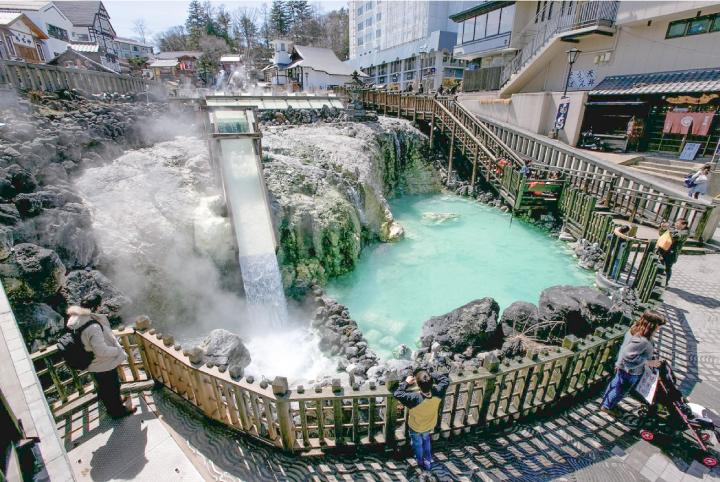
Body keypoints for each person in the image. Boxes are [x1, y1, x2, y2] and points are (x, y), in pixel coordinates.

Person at [66, 304, 136, 418]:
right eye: (99, 306)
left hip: (92, 361)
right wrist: (116, 351)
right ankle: (118, 412)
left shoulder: (76, 320)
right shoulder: (92, 327)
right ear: (96, 307)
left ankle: (113, 404)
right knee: (112, 386)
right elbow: (101, 351)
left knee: (104, 387)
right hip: (102, 362)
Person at [600, 310, 666, 417]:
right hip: (630, 371)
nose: (659, 328)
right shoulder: (642, 340)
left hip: (621, 366)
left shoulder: (634, 329)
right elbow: (629, 356)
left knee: (615, 385)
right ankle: (607, 407)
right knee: (620, 390)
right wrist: (649, 362)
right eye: (658, 326)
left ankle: (606, 402)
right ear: (652, 325)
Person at [393, 369, 450, 471]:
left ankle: (420, 461)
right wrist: (430, 375)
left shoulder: (414, 398)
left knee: (417, 444)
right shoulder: (438, 392)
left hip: (415, 426)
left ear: (418, 385)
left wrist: (406, 383)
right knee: (426, 440)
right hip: (429, 424)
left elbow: (397, 393)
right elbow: (445, 380)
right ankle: (427, 461)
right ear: (432, 382)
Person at [656, 218, 688, 286]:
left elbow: (677, 237)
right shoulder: (673, 228)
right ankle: (657, 280)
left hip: (672, 253)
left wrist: (669, 230)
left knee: (667, 268)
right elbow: (661, 234)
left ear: (684, 225)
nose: (676, 224)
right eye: (676, 222)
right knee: (659, 265)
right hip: (663, 250)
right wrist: (663, 228)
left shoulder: (685, 232)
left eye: (678, 223)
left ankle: (665, 283)